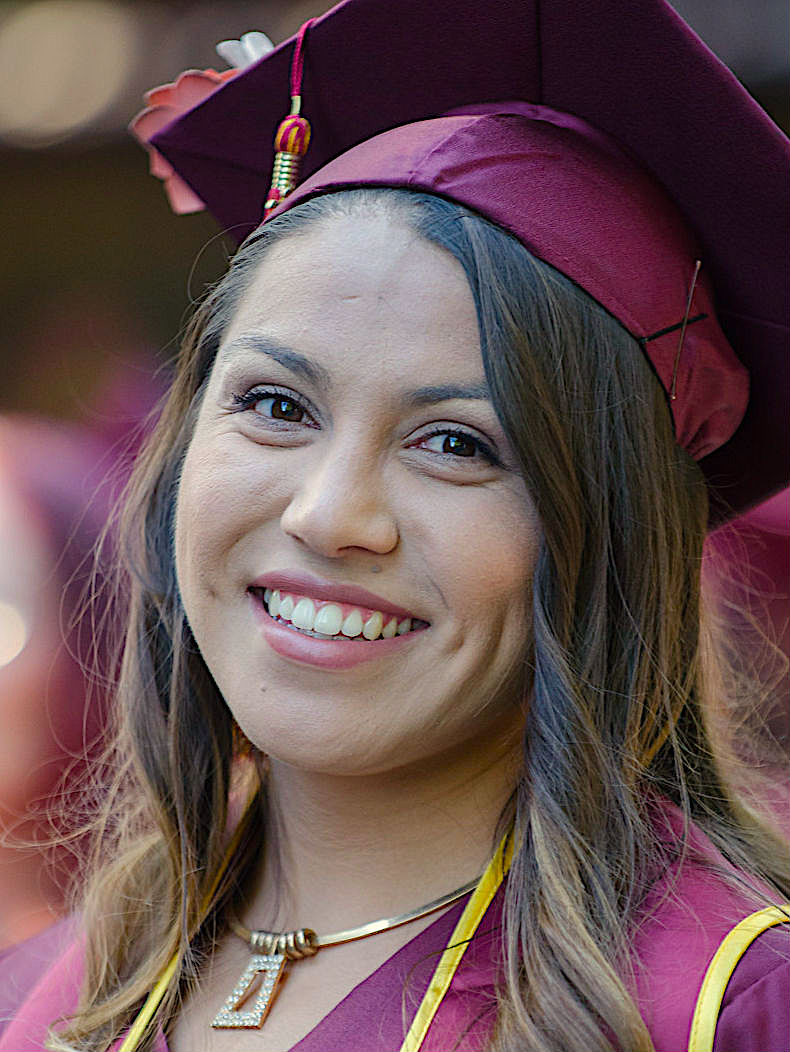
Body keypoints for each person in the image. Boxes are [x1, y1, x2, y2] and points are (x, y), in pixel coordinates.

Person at [3, 0, 788, 1050]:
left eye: (458, 443)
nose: (330, 515)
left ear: (609, 531)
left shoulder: (714, 1005)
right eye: (277, 406)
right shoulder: (47, 989)